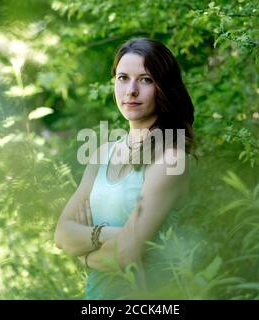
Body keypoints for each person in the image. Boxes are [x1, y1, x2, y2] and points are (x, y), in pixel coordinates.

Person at [54, 37, 196, 299]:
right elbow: (62, 234)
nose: (130, 90)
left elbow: (126, 253)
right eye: (122, 78)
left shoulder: (171, 158)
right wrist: (109, 235)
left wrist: (84, 254)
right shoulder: (103, 153)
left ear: (163, 88)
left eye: (145, 79)